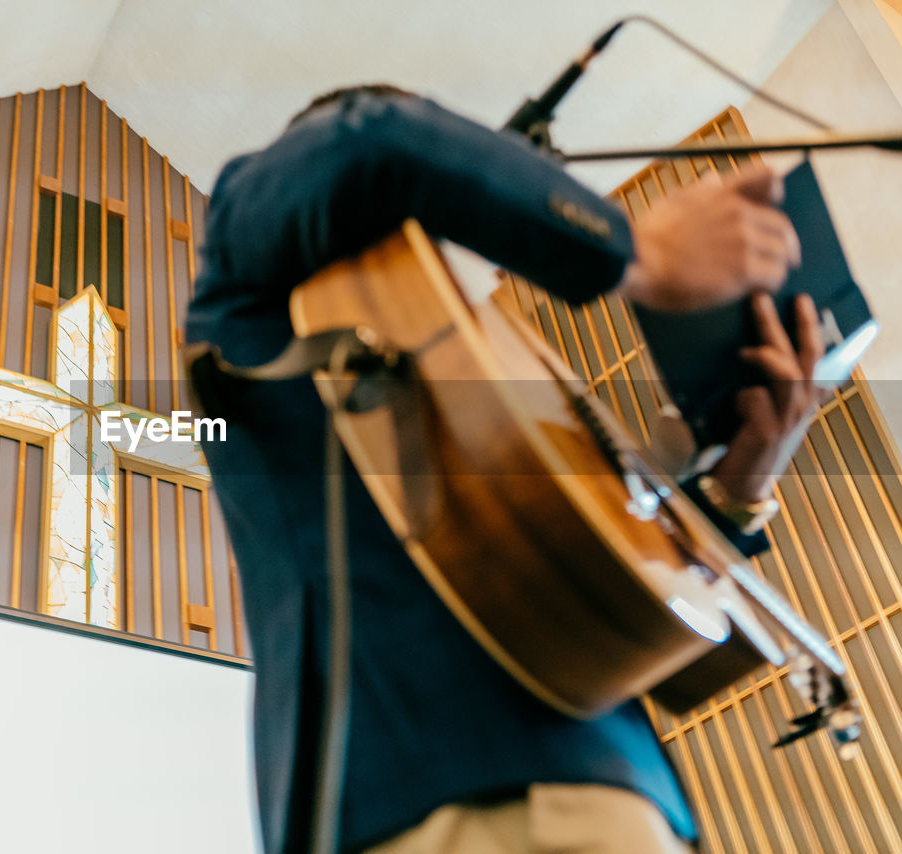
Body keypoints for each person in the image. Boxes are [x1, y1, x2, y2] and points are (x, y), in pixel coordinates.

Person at [184, 85, 823, 854]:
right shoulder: (248, 270)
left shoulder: (468, 365)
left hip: (609, 797)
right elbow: (370, 140)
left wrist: (739, 485)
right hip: (449, 794)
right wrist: (635, 250)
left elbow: (617, 601)